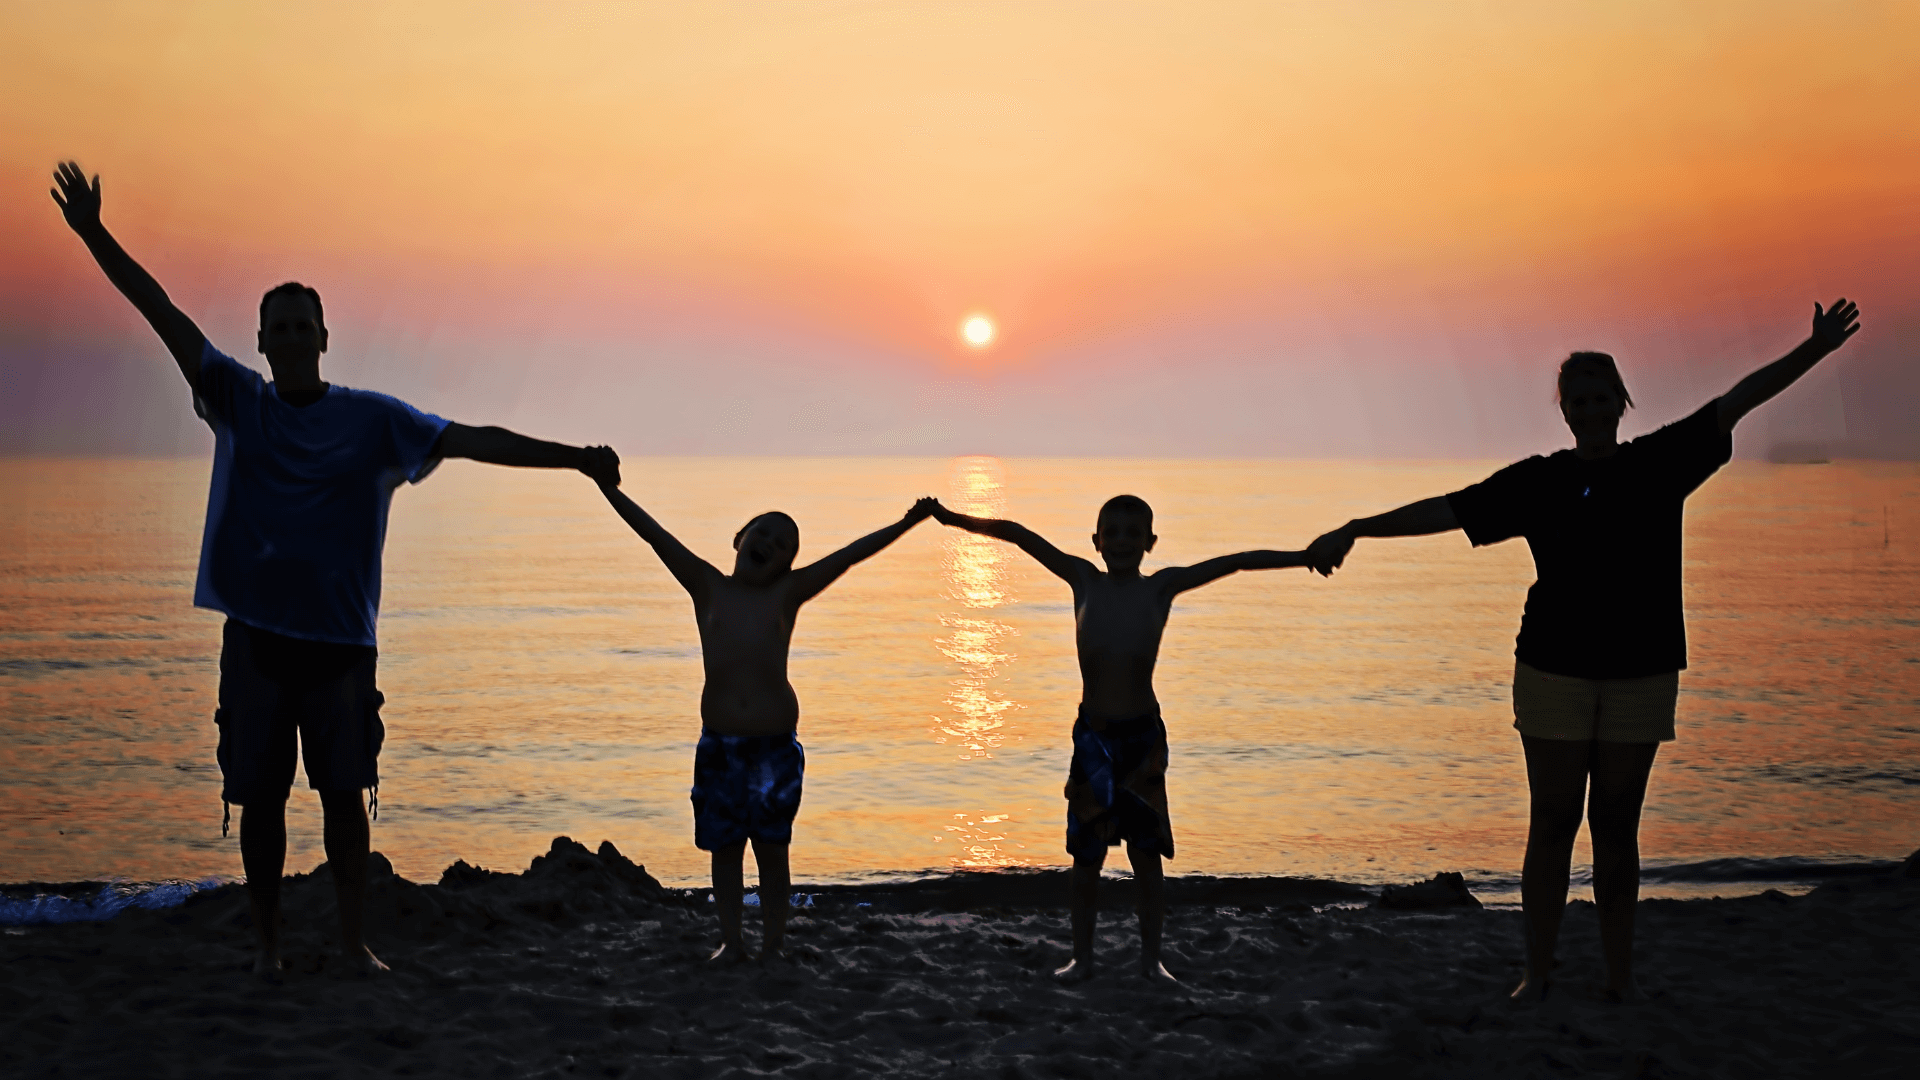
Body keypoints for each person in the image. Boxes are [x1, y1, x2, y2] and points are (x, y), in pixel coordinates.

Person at [51, 162, 620, 978]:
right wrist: (94, 233)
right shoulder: (236, 399)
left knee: (345, 799)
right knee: (260, 802)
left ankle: (353, 944)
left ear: (323, 338)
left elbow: (472, 439)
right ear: (259, 342)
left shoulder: (373, 421)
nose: (286, 338)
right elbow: (160, 312)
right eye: (274, 327)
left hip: (340, 647)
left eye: (300, 326)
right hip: (255, 640)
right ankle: (271, 952)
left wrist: (576, 460)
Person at [1306, 300, 1864, 1002]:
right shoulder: (1539, 481)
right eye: (1580, 402)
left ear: (1622, 403)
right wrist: (1355, 527)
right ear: (1565, 411)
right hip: (1553, 669)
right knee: (1553, 823)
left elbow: (1738, 402)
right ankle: (1536, 974)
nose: (1593, 411)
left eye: (1604, 399)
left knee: (1617, 829)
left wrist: (1814, 350)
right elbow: (1449, 510)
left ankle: (1619, 980)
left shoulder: (1661, 461)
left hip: (1642, 670)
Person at [929, 494, 1317, 982]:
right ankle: (1082, 958)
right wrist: (951, 518)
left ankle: (1151, 961)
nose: (1122, 541)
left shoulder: (1161, 589)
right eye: (1112, 532)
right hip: (1093, 737)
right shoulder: (1082, 579)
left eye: (1134, 534)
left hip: (1141, 739)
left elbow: (1235, 563)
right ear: (1096, 541)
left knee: (1146, 855)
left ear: (1151, 543)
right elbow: (1019, 535)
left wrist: (1303, 557)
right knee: (1086, 857)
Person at [588, 470, 936, 962]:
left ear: (787, 565)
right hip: (720, 747)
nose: (770, 544)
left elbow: (850, 556)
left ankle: (773, 944)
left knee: (773, 853)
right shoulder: (706, 585)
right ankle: (732, 941)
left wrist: (907, 522)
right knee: (724, 852)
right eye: (764, 533)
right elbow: (653, 534)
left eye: (784, 545)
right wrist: (607, 487)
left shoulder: (786, 594)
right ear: (740, 537)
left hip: (773, 748)